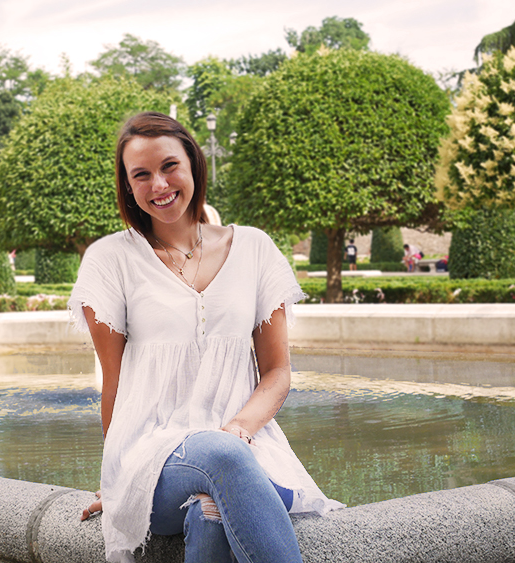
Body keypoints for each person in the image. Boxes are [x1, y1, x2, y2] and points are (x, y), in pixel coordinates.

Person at [68, 112, 343, 563]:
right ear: (128, 186)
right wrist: (116, 475)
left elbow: (277, 372)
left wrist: (237, 431)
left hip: (249, 449)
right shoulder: (109, 259)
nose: (158, 184)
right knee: (219, 457)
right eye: (141, 175)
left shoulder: (254, 248)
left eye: (169, 166)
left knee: (211, 506)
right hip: (152, 460)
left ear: (194, 164)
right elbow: (114, 384)